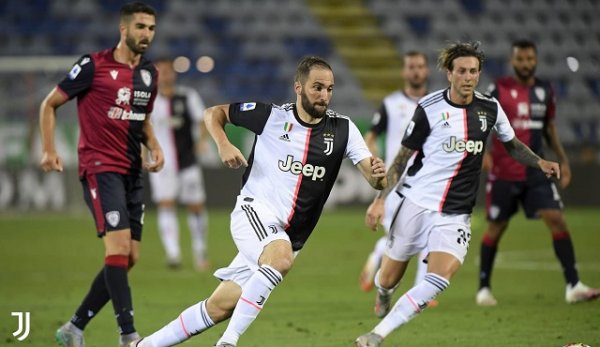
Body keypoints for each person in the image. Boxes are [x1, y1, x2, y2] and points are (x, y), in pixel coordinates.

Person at [129, 56, 387, 347]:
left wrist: (378, 175)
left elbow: (373, 176)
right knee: (280, 258)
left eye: (330, 89)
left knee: (219, 306)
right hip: (254, 213)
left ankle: (142, 346)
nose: (324, 95)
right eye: (317, 87)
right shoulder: (271, 116)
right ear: (299, 88)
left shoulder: (343, 129)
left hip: (290, 237)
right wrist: (223, 143)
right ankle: (227, 342)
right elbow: (214, 113)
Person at [354, 41, 560, 347]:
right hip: (415, 203)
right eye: (461, 71)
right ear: (449, 73)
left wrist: (539, 161)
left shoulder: (489, 108)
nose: (468, 77)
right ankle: (384, 295)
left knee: (437, 280)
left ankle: (378, 335)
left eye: (473, 71)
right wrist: (380, 200)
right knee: (388, 279)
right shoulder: (430, 108)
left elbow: (512, 143)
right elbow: (402, 158)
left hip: (456, 213)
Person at [39, 2, 164, 346]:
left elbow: (143, 119)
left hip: (132, 171)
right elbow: (49, 104)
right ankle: (129, 336)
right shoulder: (93, 65)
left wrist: (154, 145)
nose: (147, 34)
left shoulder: (150, 74)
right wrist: (49, 149)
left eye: (151, 28)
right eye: (140, 27)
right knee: (119, 248)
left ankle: (74, 328)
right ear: (123, 30)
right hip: (100, 167)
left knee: (129, 257)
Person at [475, 39, 600, 306]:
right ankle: (484, 288)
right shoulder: (498, 88)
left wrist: (563, 161)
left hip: (536, 172)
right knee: (497, 226)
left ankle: (573, 284)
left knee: (557, 219)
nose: (525, 64)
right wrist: (483, 151)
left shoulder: (545, 90)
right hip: (504, 171)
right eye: (520, 59)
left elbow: (550, 129)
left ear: (536, 60)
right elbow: (483, 120)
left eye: (529, 59)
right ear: (512, 61)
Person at [359, 51, 438, 312]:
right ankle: (380, 271)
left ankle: (421, 294)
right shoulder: (391, 104)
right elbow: (370, 136)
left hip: (427, 183)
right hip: (396, 184)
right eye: (411, 67)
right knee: (399, 241)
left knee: (429, 237)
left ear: (426, 71)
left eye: (419, 66)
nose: (415, 71)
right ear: (404, 72)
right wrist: (374, 159)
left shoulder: (437, 104)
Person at [149, 58, 210, 271]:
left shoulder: (187, 96)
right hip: (162, 163)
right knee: (166, 204)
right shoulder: (149, 100)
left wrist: (202, 141)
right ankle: (173, 254)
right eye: (160, 72)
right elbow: (140, 128)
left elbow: (203, 120)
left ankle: (200, 251)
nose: (165, 75)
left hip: (188, 161)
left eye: (167, 71)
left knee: (195, 206)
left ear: (173, 74)